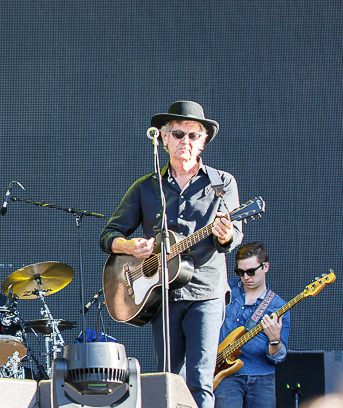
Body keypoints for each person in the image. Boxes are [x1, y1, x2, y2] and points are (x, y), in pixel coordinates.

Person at [100, 100, 242, 408]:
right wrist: (129, 246)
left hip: (206, 291)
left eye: (193, 135)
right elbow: (108, 235)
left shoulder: (221, 183)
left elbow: (234, 235)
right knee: (168, 380)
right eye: (178, 134)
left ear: (202, 141)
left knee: (201, 381)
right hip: (163, 294)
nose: (185, 142)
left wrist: (226, 234)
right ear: (164, 139)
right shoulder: (147, 187)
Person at [215, 242, 290, 408]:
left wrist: (274, 340)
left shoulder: (277, 306)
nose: (246, 277)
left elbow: (279, 356)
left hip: (262, 376)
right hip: (223, 373)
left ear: (265, 267)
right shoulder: (225, 289)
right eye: (240, 272)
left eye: (251, 272)